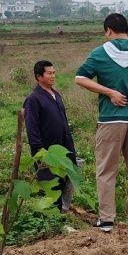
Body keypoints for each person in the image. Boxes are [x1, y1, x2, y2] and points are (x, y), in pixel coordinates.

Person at [75, 13, 128, 232]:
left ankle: (107, 220)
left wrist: (109, 91)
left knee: (106, 171)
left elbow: (79, 78)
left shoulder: (100, 53)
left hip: (110, 121)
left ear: (109, 31)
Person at [23, 60, 77, 210]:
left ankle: (62, 213)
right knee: (51, 184)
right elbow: (31, 127)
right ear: (39, 76)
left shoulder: (56, 95)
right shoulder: (33, 99)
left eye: (54, 73)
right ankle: (54, 219)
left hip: (63, 147)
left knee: (63, 180)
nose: (53, 76)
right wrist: (40, 152)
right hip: (47, 151)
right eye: (49, 73)